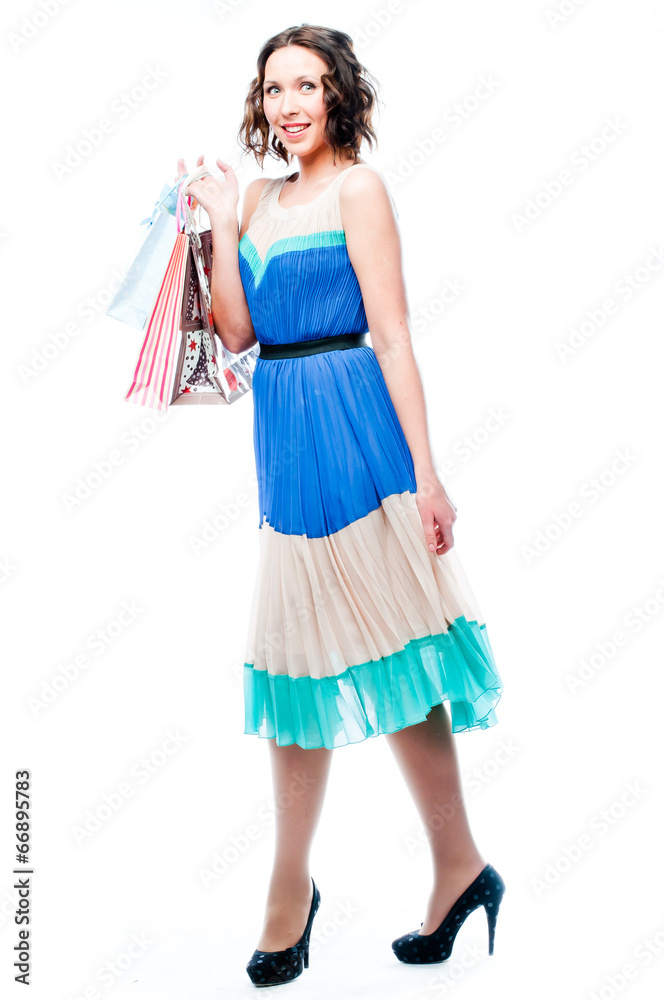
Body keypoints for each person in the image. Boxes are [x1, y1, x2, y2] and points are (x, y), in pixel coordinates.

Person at [177, 23, 505, 989]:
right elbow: (237, 333)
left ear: (339, 97)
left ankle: (449, 868)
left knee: (398, 643)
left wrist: (430, 476)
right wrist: (215, 220)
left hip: (358, 435)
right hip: (285, 439)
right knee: (296, 662)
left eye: (308, 85)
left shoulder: (359, 188)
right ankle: (323, 884)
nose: (289, 104)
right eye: (276, 87)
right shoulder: (260, 199)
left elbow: (394, 338)